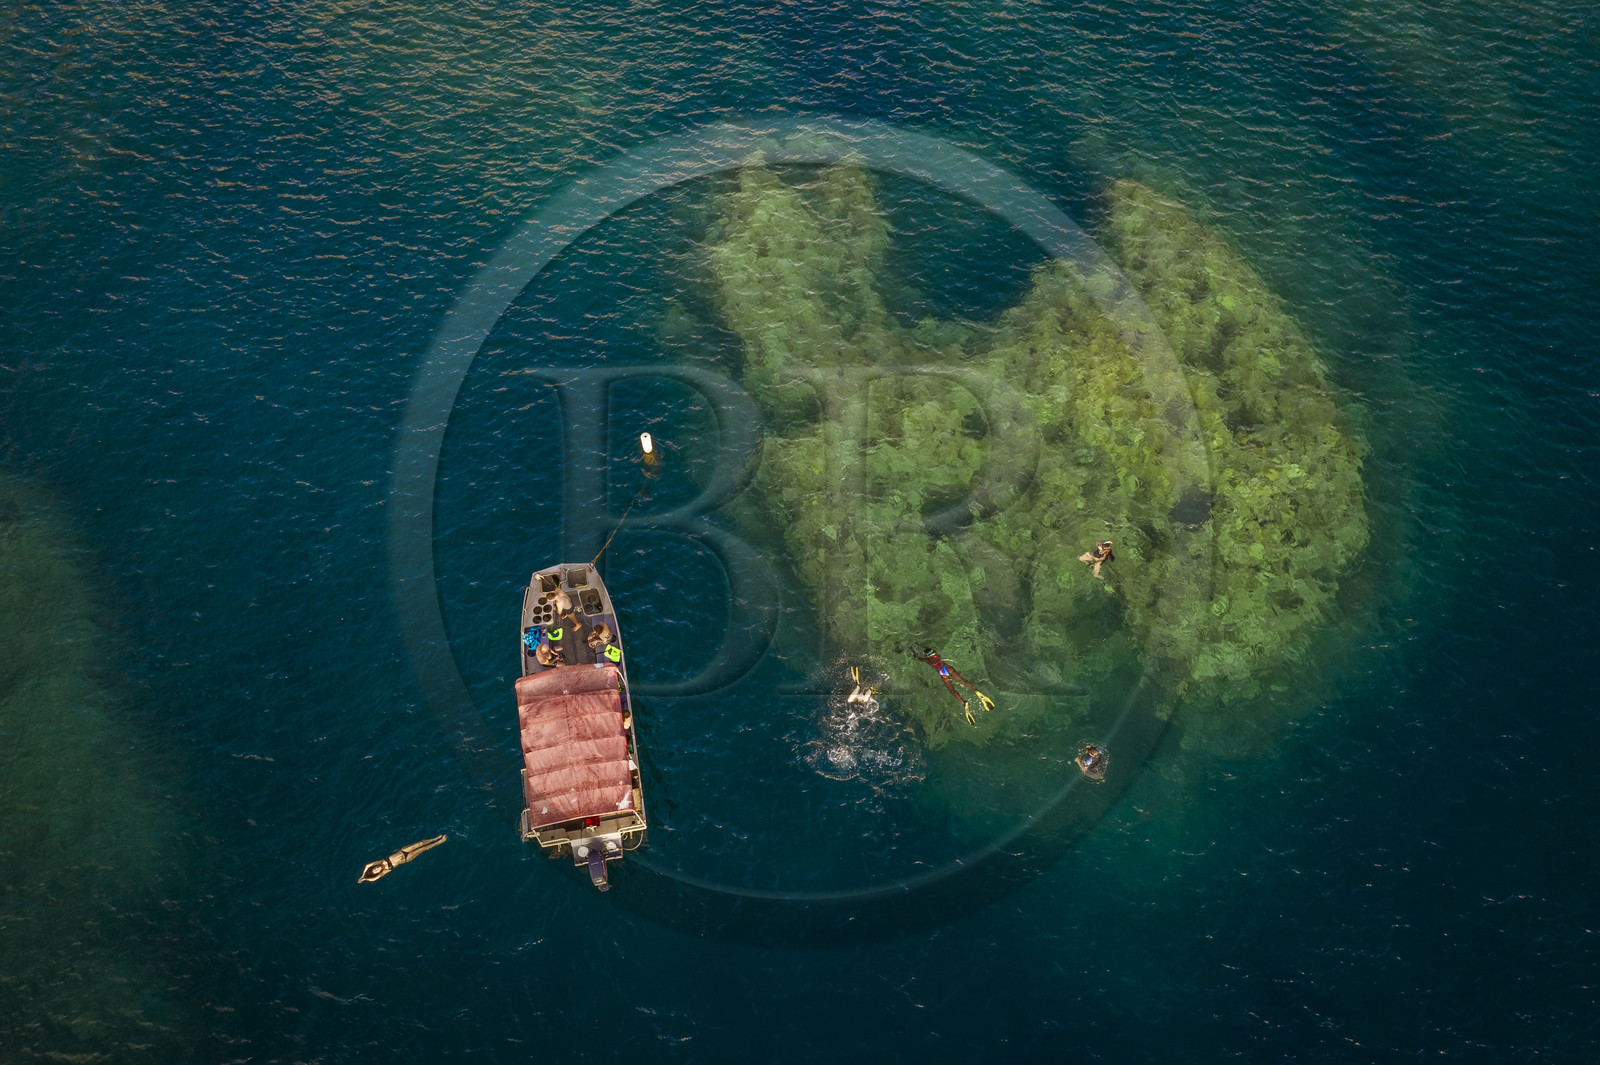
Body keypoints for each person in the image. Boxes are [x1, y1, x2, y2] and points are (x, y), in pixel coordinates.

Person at [911, 645, 996, 726]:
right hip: (948, 668)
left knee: (952, 690)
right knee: (962, 680)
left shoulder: (928, 660)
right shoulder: (937, 655)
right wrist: (921, 645)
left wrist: (913, 651)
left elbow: (918, 658)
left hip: (943, 672)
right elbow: (930, 650)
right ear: (932, 652)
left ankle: (964, 702)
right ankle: (976, 691)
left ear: (927, 655)